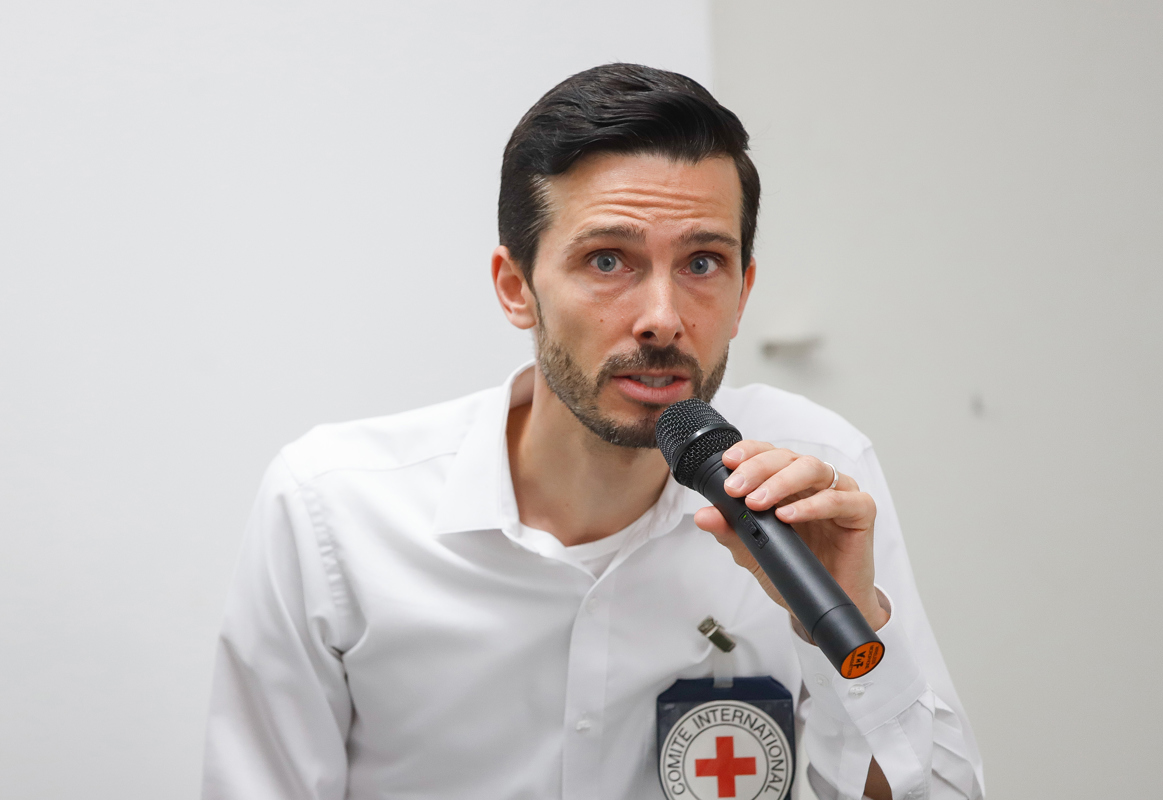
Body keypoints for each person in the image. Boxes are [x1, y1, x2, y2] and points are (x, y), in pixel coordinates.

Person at [202, 63, 985, 800]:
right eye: (608, 260)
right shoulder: (334, 512)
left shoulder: (815, 478)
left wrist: (852, 630)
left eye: (702, 263)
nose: (662, 319)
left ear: (744, 292)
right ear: (517, 287)